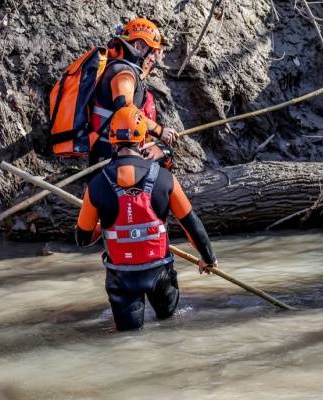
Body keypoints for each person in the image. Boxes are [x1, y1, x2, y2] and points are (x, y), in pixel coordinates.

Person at [75, 105, 217, 331]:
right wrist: (208, 258)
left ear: (112, 140)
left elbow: (82, 238)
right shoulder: (165, 178)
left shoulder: (96, 186)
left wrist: (106, 226)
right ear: (142, 139)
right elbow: (191, 224)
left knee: (128, 336)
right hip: (160, 272)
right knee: (170, 326)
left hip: (122, 278)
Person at [89, 17, 179, 165]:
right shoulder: (123, 73)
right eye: (152, 52)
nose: (152, 59)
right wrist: (159, 131)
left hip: (116, 147)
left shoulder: (121, 69)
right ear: (139, 46)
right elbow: (127, 111)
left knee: (163, 152)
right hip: (110, 152)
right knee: (164, 155)